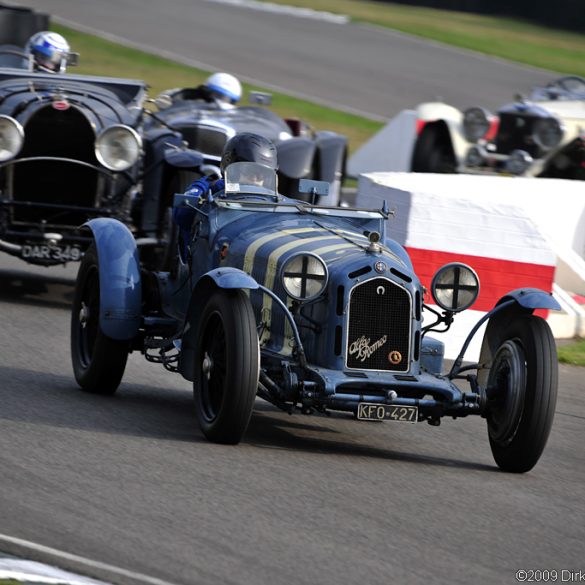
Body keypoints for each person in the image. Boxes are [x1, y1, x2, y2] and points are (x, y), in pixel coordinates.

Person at [173, 132, 277, 261]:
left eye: (262, 174)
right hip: (205, 263)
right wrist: (207, 198)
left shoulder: (273, 200)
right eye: (249, 171)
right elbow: (181, 216)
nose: (255, 179)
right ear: (230, 164)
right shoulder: (206, 187)